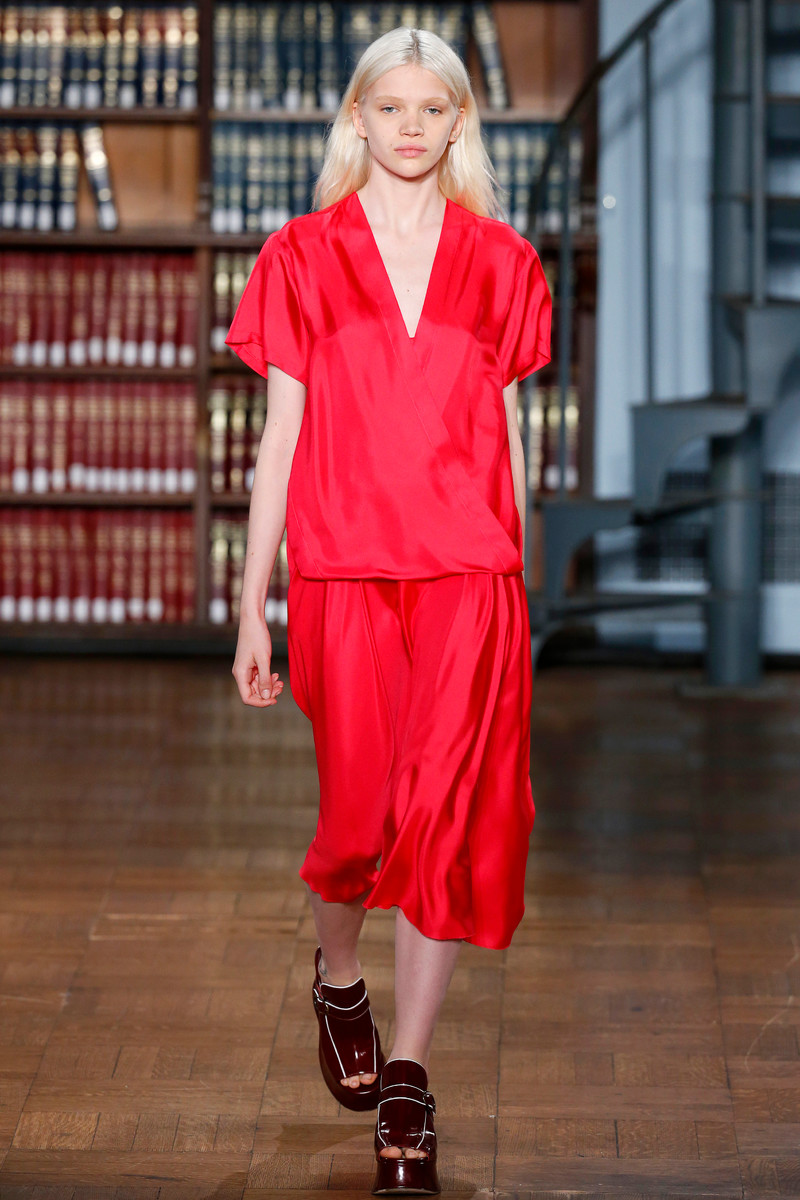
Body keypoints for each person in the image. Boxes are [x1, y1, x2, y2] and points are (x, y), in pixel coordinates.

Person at [226, 24, 551, 1197]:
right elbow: (278, 441)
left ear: (458, 122)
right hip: (342, 574)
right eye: (389, 107)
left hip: (468, 579)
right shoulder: (300, 256)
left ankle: (408, 1073)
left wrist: (519, 580)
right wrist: (250, 607)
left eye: (431, 108)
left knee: (444, 821)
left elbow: (506, 436)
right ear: (355, 118)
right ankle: (337, 976)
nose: (409, 128)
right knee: (360, 826)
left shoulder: (503, 262)